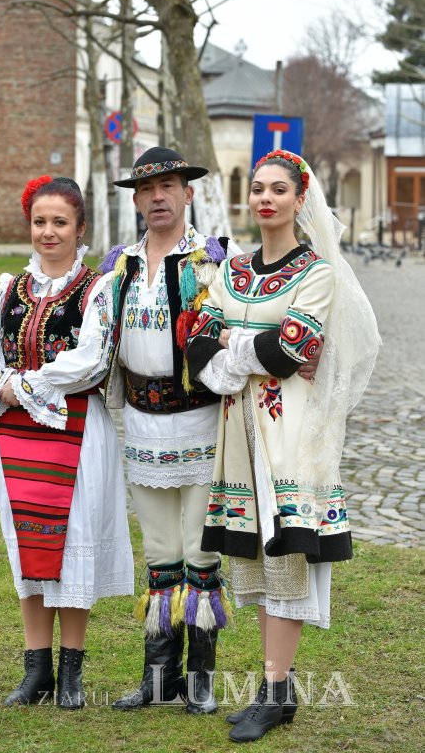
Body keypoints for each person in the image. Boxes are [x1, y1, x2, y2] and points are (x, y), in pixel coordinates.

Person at [101, 146, 317, 715]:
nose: (158, 198)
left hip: (200, 421)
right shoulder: (118, 266)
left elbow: (246, 326)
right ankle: (158, 674)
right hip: (143, 423)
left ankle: (199, 680)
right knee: (159, 551)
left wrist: (302, 357)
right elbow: (98, 338)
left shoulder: (215, 261)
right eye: (146, 190)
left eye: (168, 186)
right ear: (137, 200)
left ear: (188, 193)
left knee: (200, 551)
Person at [186, 149, 380, 742]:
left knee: (287, 558)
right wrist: (249, 348)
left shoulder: (317, 273)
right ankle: (277, 691)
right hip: (240, 438)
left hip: (290, 438)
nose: (265, 198)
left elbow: (293, 346)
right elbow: (198, 343)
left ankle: (275, 691)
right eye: (259, 190)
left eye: (278, 190)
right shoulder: (234, 270)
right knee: (261, 563)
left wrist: (236, 348)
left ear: (300, 199)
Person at [0, 175, 133, 709]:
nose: (48, 232)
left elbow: (90, 360)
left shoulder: (97, 289)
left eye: (60, 222)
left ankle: (71, 674)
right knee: (28, 548)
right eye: (40, 222)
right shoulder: (9, 290)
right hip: (14, 435)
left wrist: (28, 383)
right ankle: (36, 669)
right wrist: (4, 383)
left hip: (77, 434)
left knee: (72, 549)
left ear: (81, 228)